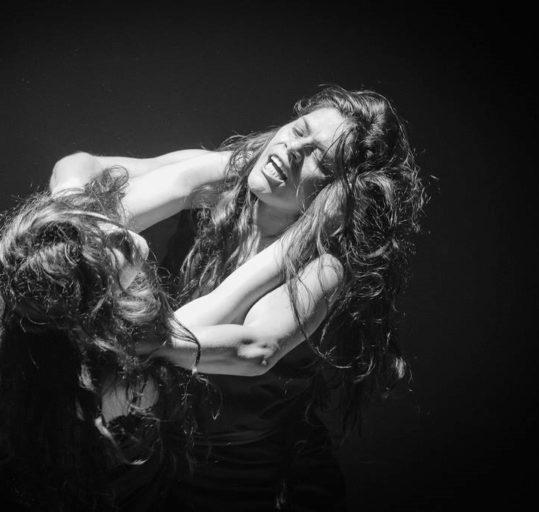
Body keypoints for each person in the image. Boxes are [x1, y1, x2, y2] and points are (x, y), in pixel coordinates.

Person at [50, 85, 426, 510]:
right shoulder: (219, 179)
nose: (291, 149)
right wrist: (69, 206)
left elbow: (256, 347)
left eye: (318, 158)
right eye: (298, 129)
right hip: (160, 447)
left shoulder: (324, 267)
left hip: (241, 473)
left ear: (339, 194)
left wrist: (136, 340)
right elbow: (82, 164)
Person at [0, 171, 197, 511]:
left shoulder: (36, 343)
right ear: (93, 311)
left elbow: (73, 165)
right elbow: (254, 343)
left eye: (92, 226)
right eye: (100, 257)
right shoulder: (120, 378)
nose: (114, 233)